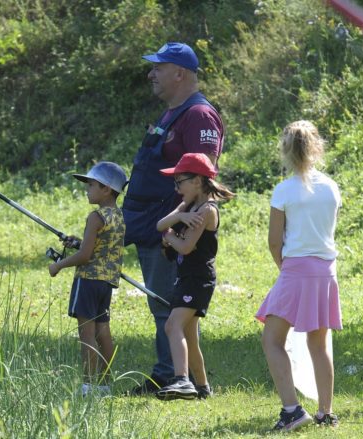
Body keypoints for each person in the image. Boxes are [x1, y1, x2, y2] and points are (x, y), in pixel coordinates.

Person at [122, 42, 224, 394]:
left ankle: (173, 376)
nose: (151, 74)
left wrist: (180, 222)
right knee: (161, 301)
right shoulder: (172, 111)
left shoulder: (198, 115)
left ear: (179, 73)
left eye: (158, 67)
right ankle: (172, 372)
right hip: (152, 219)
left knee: (169, 304)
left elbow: (203, 177)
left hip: (174, 226)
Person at [255, 121, 342, 431]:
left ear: (286, 151)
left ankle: (292, 411)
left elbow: (275, 241)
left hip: (296, 270)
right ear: (317, 148)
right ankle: (326, 412)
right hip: (326, 271)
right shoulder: (331, 187)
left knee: (272, 339)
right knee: (319, 344)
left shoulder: (284, 190)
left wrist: (285, 268)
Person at [153, 153, 234, 401]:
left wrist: (169, 237)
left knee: (172, 325)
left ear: (197, 181)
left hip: (198, 279)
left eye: (180, 182)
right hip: (186, 277)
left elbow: (185, 246)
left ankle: (182, 380)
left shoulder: (207, 210)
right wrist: (178, 217)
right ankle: (202, 387)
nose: (177, 189)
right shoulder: (188, 207)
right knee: (189, 335)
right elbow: (160, 224)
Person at [48, 162, 127, 396]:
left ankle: (88, 385)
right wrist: (77, 242)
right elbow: (99, 248)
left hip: (88, 280)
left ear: (106, 189)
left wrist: (58, 265)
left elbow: (85, 256)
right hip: (105, 283)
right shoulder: (118, 216)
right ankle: (104, 384)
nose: (87, 189)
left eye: (91, 185)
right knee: (103, 331)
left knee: (87, 335)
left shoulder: (95, 216)